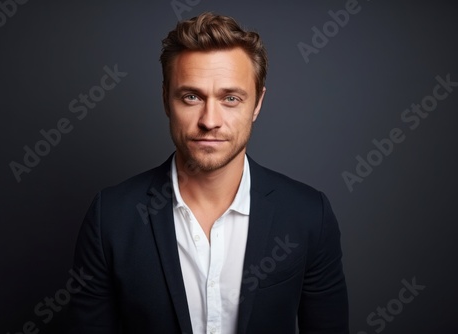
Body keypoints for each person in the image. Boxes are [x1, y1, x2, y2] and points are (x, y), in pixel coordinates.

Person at [69, 12, 349, 334]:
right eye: (191, 97)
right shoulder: (112, 217)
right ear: (165, 99)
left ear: (257, 103)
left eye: (230, 98)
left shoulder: (309, 214)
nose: (210, 120)